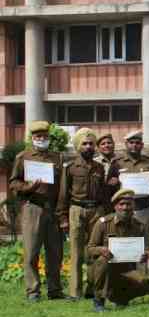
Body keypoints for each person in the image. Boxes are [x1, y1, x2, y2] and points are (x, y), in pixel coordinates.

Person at [9, 120, 65, 302]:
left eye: (45, 136)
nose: (42, 139)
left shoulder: (57, 158)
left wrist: (61, 210)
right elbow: (13, 183)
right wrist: (28, 187)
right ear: (32, 138)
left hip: (53, 208)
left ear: (49, 137)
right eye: (38, 136)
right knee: (32, 251)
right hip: (32, 207)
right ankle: (33, 291)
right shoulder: (23, 157)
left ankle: (55, 290)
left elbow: (62, 186)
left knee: (55, 252)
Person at [57, 128, 106, 300]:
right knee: (76, 252)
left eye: (91, 144)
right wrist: (63, 218)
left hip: (96, 210)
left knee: (94, 250)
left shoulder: (100, 167)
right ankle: (74, 292)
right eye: (84, 144)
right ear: (78, 146)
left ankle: (92, 289)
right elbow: (63, 193)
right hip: (76, 210)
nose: (88, 147)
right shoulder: (70, 167)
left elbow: (103, 193)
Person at [87, 189, 149, 312]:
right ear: (115, 206)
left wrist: (144, 255)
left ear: (133, 206)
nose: (125, 207)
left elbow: (146, 249)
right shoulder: (103, 223)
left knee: (146, 284)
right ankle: (99, 301)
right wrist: (102, 250)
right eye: (121, 204)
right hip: (104, 269)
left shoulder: (139, 226)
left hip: (126, 269)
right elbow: (90, 249)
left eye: (129, 204)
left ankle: (120, 297)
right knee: (103, 261)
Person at [111, 131, 149, 231]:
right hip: (123, 207)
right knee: (123, 236)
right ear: (126, 144)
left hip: (144, 207)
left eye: (137, 143)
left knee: (144, 238)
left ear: (142, 145)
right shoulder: (117, 162)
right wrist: (113, 182)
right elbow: (109, 184)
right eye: (131, 142)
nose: (134, 145)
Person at [94, 133, 120, 212]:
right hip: (101, 203)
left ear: (114, 144)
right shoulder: (94, 163)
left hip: (120, 201)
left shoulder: (121, 160)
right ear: (98, 148)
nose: (106, 145)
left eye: (109, 143)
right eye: (103, 144)